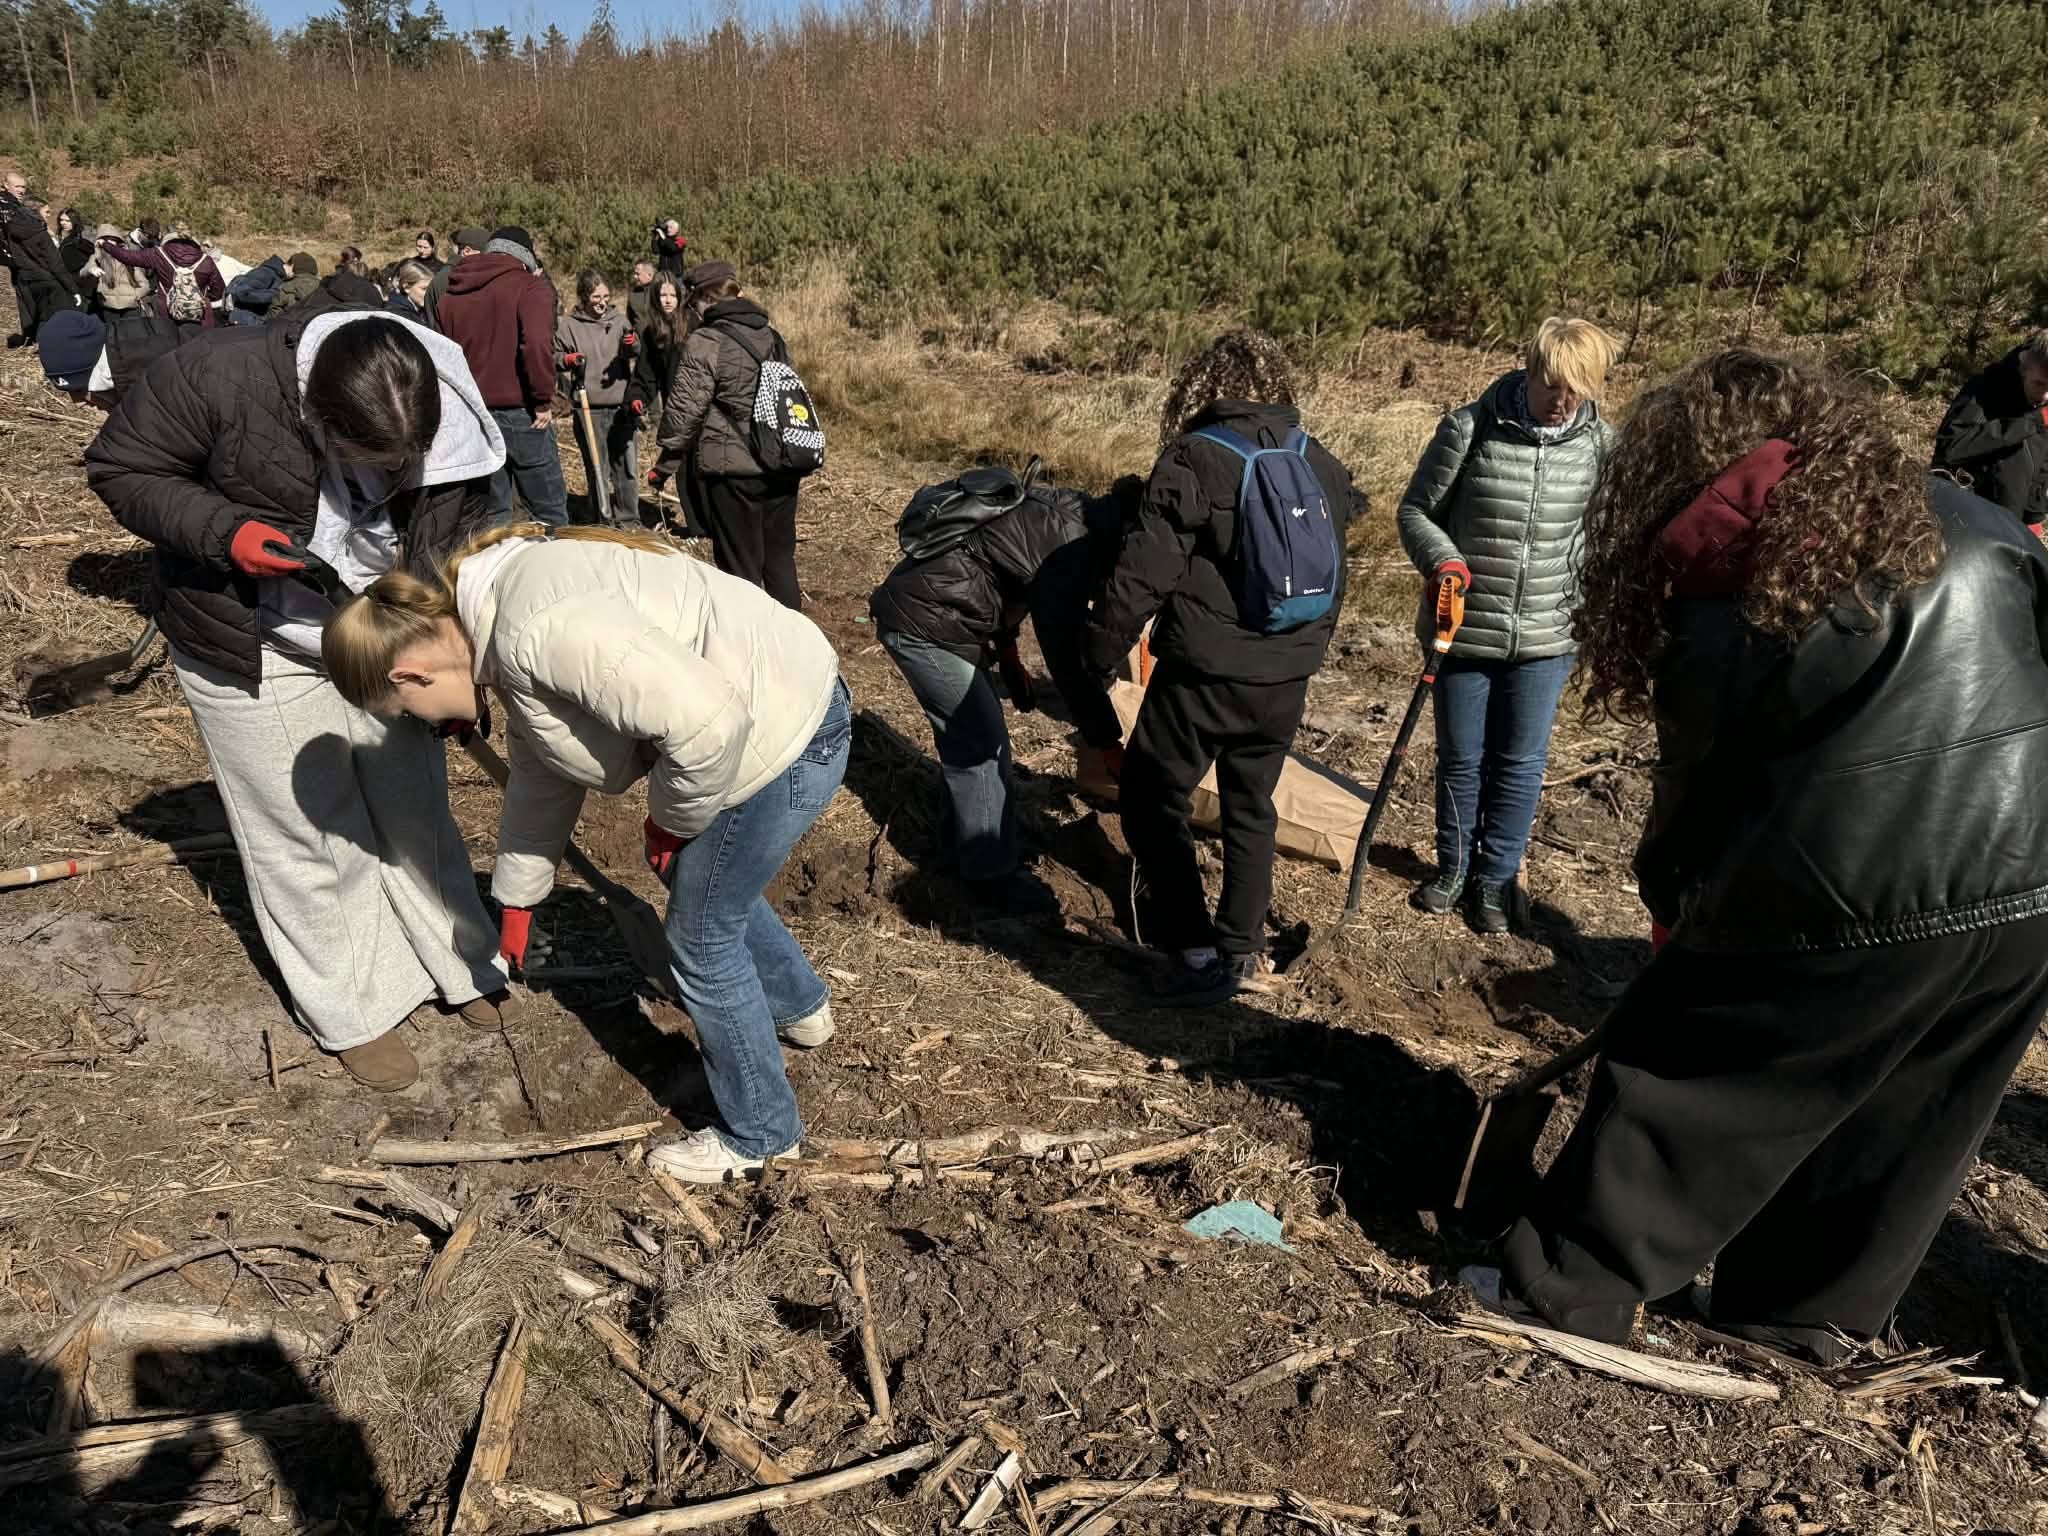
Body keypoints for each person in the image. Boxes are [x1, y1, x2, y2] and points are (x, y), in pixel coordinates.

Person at [1469, 349, 2048, 1364]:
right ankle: (1796, 1319)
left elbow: (1698, 780)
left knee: (1694, 1068)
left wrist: (1673, 914)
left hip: (1855, 874)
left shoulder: (1738, 552)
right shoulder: (1980, 523)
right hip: (2031, 885)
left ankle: (1564, 1286)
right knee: (1906, 1105)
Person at [321, 521, 850, 1182]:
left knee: (702, 944)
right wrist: (517, 901)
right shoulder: (498, 623)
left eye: (407, 711)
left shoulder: (531, 631)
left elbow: (710, 725)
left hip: (781, 730)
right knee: (713, 889)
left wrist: (669, 826)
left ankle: (763, 1135)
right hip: (786, 696)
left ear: (412, 672)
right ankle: (801, 1009)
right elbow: (545, 772)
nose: (424, 727)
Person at [84, 305, 519, 1092]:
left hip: (384, 638)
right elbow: (121, 467)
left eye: (402, 465)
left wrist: (456, 668)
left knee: (413, 807)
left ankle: (459, 958)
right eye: (368, 460)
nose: (387, 481)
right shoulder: (220, 374)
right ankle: (355, 1005)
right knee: (307, 827)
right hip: (255, 638)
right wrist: (225, 532)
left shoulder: (443, 400)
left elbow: (460, 542)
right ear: (314, 416)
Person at [1083, 329, 1363, 1003]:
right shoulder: (1316, 458)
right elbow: (1338, 562)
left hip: (1205, 673)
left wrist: (1095, 648)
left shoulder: (1194, 459)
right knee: (1250, 804)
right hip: (1287, 675)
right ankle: (1242, 946)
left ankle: (1191, 943)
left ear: (1202, 390)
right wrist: (1304, 654)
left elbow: (1141, 575)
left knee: (1152, 797)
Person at [1396, 317, 1615, 934]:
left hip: (1548, 638)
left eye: (1577, 389)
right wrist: (1444, 559)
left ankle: (1495, 880)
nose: (1562, 400)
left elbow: (1608, 535)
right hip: (1465, 627)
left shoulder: (1601, 446)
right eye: (1552, 385)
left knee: (1520, 761)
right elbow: (1415, 510)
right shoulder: (1469, 429)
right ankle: (1454, 868)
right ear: (1530, 369)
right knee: (1463, 759)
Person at [871, 467, 1134, 911]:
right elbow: (1066, 660)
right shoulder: (1072, 548)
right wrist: (1107, 744)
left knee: (972, 738)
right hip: (923, 623)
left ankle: (960, 847)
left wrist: (1008, 656)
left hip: (946, 614)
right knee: (983, 746)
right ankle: (990, 875)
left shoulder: (1072, 514)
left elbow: (1001, 575)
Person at [650, 262, 806, 606]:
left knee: (741, 569)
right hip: (782, 464)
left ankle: (749, 649)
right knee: (780, 563)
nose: (692, 311)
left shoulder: (707, 340)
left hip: (735, 471)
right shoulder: (772, 335)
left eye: (693, 304)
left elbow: (685, 412)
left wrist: (665, 463)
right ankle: (794, 644)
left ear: (707, 299)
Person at [440, 225, 566, 527]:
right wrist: (542, 400)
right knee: (548, 514)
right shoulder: (529, 287)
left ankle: (496, 573)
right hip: (523, 412)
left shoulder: (452, 293)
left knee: (493, 516)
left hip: (474, 415)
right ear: (524, 258)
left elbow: (445, 356)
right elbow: (536, 344)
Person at [1931, 330, 2048, 537]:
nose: (2045, 395)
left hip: (2011, 527)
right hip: (1965, 519)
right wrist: (2028, 424)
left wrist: (2033, 518)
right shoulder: (1986, 388)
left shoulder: (2043, 402)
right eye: (2039, 384)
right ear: (2023, 367)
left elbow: (2040, 463)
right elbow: (1951, 447)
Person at [555, 268, 639, 527]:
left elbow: (635, 352)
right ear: (583, 297)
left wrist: (631, 345)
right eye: (595, 297)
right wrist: (566, 360)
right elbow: (553, 356)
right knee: (597, 467)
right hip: (587, 407)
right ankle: (602, 519)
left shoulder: (620, 321)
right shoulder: (569, 326)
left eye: (605, 296)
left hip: (620, 405)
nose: (602, 302)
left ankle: (629, 519)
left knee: (626, 467)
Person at [1, 172, 80, 342]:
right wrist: (73, 289)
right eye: (18, 186)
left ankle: (32, 337)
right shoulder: (9, 208)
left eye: (23, 186)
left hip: (22, 270)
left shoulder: (14, 220)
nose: (22, 190)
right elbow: (54, 262)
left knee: (28, 305)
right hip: (39, 274)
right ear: (6, 185)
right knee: (46, 310)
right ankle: (46, 339)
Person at [102, 230, 226, 329]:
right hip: (199, 318)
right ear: (194, 244)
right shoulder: (206, 261)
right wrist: (200, 297)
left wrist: (105, 245)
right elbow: (219, 291)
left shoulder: (158, 254)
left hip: (166, 316)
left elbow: (127, 257)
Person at [424, 226, 488, 329]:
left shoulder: (459, 274)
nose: (489, 259)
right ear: (467, 251)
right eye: (485, 254)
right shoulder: (448, 279)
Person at [226, 254, 288, 325]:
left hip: (248, 319)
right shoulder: (265, 273)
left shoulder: (276, 276)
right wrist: (275, 295)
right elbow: (242, 292)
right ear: (291, 266)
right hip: (243, 320)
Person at [386, 259, 433, 323]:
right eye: (424, 289)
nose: (429, 293)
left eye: (430, 289)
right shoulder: (398, 315)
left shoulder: (420, 310)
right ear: (406, 287)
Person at [56, 208, 92, 280]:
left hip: (76, 281)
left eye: (68, 221)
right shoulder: (61, 237)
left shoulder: (78, 242)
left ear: (74, 221)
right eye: (61, 220)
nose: (63, 223)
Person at [626, 259, 657, 336]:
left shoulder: (661, 292)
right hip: (639, 342)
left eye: (638, 274)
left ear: (649, 275)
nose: (635, 276)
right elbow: (629, 320)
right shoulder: (633, 294)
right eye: (634, 273)